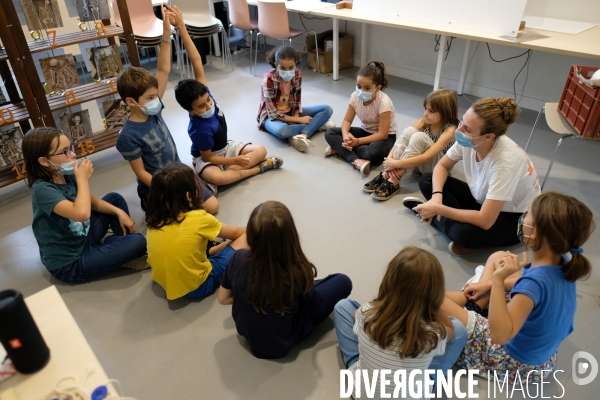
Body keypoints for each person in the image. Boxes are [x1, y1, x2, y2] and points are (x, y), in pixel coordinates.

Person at [441, 192, 595, 385]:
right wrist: (487, 284)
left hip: (511, 361)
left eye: (528, 213)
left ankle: (470, 308)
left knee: (427, 298)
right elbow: (528, 286)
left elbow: (500, 335)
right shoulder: (562, 261)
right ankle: (472, 304)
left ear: (535, 232)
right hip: (542, 359)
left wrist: (497, 282)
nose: (523, 218)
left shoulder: (534, 283)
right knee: (498, 258)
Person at [404, 97, 541, 256]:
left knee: (466, 235)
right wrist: (436, 197)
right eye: (461, 122)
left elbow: (485, 220)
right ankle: (442, 217)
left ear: (488, 137)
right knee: (427, 180)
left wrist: (438, 208)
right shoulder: (470, 139)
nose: (459, 130)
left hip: (515, 216)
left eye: (467, 129)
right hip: (484, 200)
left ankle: (435, 216)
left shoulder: (506, 162)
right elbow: (441, 166)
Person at [116, 4, 218, 214]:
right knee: (190, 215)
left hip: (179, 173)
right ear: (131, 101)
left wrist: (166, 32)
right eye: (151, 97)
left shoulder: (152, 108)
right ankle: (154, 206)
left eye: (156, 95)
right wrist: (172, 190)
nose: (157, 100)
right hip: (159, 186)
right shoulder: (127, 136)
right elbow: (142, 174)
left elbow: (163, 69)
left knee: (211, 205)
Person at [218, 201, 352, 359]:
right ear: (290, 236)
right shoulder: (297, 271)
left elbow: (223, 298)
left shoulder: (237, 258)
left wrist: (251, 296)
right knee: (342, 281)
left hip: (247, 334)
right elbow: (307, 300)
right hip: (282, 343)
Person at [334, 246, 467, 399]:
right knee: (459, 329)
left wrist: (383, 305)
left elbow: (355, 315)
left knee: (343, 306)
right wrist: (432, 304)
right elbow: (451, 330)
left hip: (362, 394)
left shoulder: (365, 312)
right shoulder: (433, 333)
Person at [174, 15, 282, 195]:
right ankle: (258, 169)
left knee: (261, 150)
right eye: (201, 107)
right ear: (190, 110)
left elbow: (196, 61)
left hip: (226, 147)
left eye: (208, 100)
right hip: (208, 157)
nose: (209, 106)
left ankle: (230, 175)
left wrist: (182, 28)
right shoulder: (198, 129)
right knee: (218, 177)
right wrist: (235, 161)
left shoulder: (204, 94)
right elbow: (208, 156)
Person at [23, 128, 148, 284]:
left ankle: (117, 249)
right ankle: (120, 250)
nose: (73, 155)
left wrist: (118, 212)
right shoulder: (42, 189)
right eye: (65, 152)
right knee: (138, 241)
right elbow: (82, 214)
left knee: (115, 199)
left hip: (83, 237)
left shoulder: (66, 174)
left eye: (71, 149)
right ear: (43, 161)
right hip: (70, 264)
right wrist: (82, 179)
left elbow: (91, 202)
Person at [145, 163, 247, 301]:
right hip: (197, 287)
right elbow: (235, 233)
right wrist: (255, 228)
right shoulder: (198, 218)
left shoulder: (155, 219)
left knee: (214, 237)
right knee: (246, 237)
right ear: (189, 196)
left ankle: (214, 250)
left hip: (166, 283)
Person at [364, 89, 458, 201]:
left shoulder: (450, 131)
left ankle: (394, 180)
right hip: (416, 164)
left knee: (419, 137)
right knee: (409, 130)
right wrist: (390, 160)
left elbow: (427, 157)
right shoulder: (424, 121)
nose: (425, 113)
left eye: (431, 111)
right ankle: (386, 174)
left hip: (435, 168)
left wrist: (396, 163)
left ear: (445, 113)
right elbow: (402, 140)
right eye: (425, 109)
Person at [324, 61, 398, 176]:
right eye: (359, 86)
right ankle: (355, 159)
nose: (361, 91)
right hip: (366, 132)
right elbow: (347, 121)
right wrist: (345, 136)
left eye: (367, 88)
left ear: (377, 88)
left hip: (385, 137)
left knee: (373, 153)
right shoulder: (355, 97)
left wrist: (356, 142)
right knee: (330, 132)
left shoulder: (384, 103)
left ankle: (340, 149)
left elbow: (383, 134)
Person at [257, 46, 334, 152]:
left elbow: (297, 101)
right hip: (271, 117)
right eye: (283, 68)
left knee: (327, 109)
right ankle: (317, 125)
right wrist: (299, 120)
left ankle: (303, 134)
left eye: (291, 67)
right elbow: (273, 115)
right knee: (282, 131)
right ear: (276, 65)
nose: (287, 71)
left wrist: (296, 115)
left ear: (296, 64)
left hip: (290, 111)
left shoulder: (297, 74)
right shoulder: (268, 80)